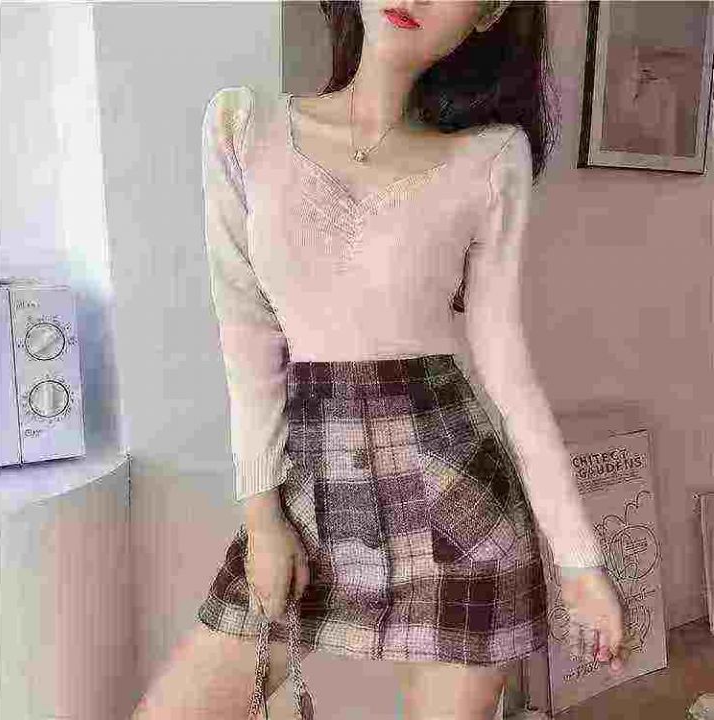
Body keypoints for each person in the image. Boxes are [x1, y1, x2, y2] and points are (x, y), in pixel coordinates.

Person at [131, 2, 629, 718]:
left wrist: (581, 562)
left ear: (489, 12)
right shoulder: (244, 127)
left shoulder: (491, 159)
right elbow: (247, 341)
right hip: (308, 494)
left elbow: (508, 370)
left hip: (456, 507)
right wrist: (262, 516)